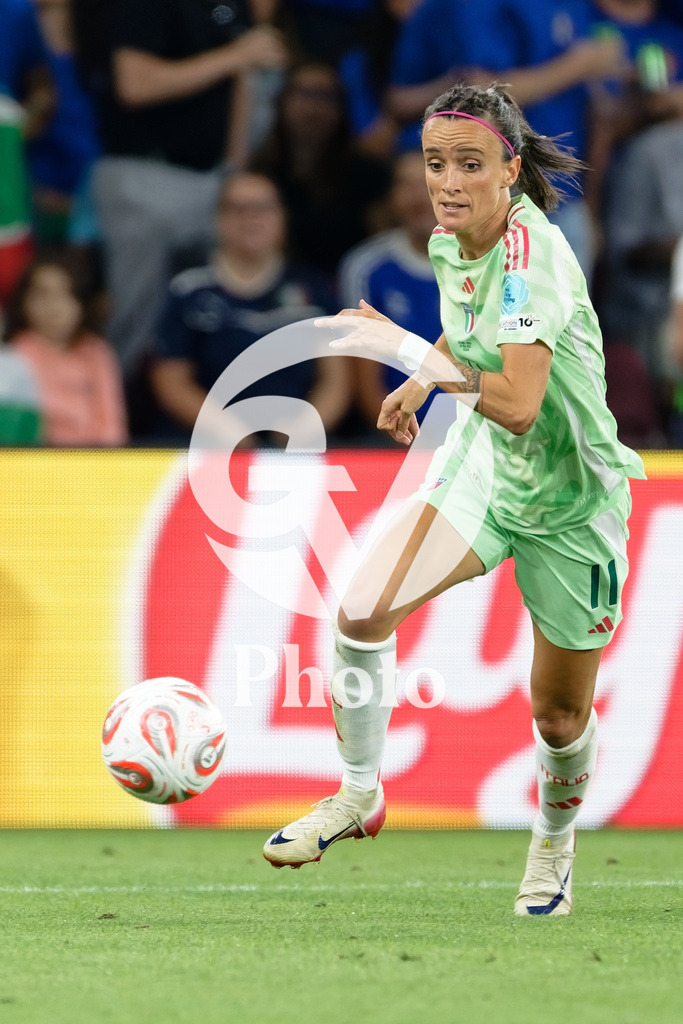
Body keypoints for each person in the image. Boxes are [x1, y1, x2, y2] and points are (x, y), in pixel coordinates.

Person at [262, 82, 646, 917]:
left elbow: (516, 402)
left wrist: (401, 349)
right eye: (435, 163)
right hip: (486, 471)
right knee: (361, 612)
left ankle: (552, 841)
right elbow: (473, 336)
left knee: (556, 716)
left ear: (509, 170)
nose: (446, 182)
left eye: (469, 165)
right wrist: (421, 377)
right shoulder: (451, 240)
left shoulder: (530, 256)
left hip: (570, 503)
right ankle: (359, 792)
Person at [74, 0, 288, 371]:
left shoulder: (233, 7)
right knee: (134, 316)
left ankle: (211, 409)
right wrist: (233, 55)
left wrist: (235, 171)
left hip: (213, 180)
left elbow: (246, 77)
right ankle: (107, 415)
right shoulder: (147, 7)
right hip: (144, 178)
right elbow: (135, 83)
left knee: (221, 306)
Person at [149, 170, 350, 445]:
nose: (252, 217)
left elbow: (336, 380)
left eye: (263, 208)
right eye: (238, 208)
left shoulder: (312, 290)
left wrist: (306, 428)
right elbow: (171, 382)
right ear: (218, 219)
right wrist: (224, 430)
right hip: (206, 447)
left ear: (282, 218)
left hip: (297, 450)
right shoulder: (188, 290)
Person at [250, 62, 391, 277]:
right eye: (305, 94)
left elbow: (381, 249)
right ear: (283, 100)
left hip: (348, 285)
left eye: (326, 96)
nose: (314, 107)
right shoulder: (261, 172)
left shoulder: (367, 172)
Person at [338, 149, 441, 435]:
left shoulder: (487, 263)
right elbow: (364, 380)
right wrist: (407, 439)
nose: (416, 195)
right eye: (403, 183)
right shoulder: (365, 267)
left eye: (425, 182)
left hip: (477, 439)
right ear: (391, 197)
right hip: (395, 436)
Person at [7, 258, 128, 445]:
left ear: (81, 302)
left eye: (65, 294)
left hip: (96, 462)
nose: (54, 306)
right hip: (37, 462)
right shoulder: (14, 355)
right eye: (42, 295)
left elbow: (112, 423)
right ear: (23, 302)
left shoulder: (97, 352)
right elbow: (22, 425)